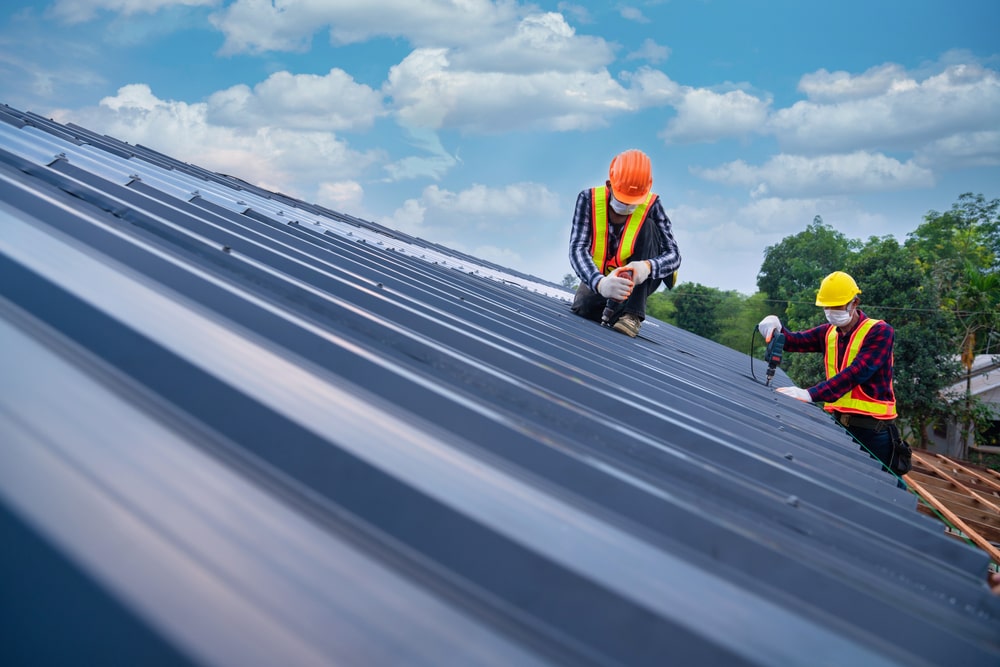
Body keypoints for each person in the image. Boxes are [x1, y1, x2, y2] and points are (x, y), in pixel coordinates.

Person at [758, 271, 911, 488]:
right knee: (846, 487)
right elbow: (793, 341)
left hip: (872, 431)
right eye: (827, 307)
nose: (831, 312)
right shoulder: (828, 333)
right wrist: (777, 327)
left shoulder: (880, 332)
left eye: (837, 306)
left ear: (854, 303)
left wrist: (810, 394)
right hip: (839, 426)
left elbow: (857, 372)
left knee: (886, 489)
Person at [568, 149, 681, 337]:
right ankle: (614, 309)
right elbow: (577, 249)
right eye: (622, 201)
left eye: (633, 202)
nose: (627, 208)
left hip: (641, 280)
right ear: (609, 185)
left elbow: (674, 255)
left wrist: (646, 267)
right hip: (603, 276)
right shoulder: (588, 200)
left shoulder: (652, 205)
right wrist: (600, 283)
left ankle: (632, 315)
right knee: (584, 308)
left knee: (649, 226)